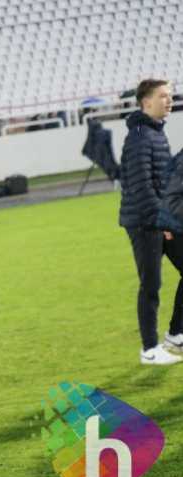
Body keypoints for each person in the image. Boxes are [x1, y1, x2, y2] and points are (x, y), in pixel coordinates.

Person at [118, 78, 182, 365]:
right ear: (146, 102)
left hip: (161, 218)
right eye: (163, 96)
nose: (170, 101)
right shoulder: (140, 137)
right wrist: (163, 221)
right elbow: (142, 186)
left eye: (170, 96)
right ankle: (149, 349)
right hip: (144, 223)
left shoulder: (155, 132)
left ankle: (176, 334)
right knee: (151, 285)